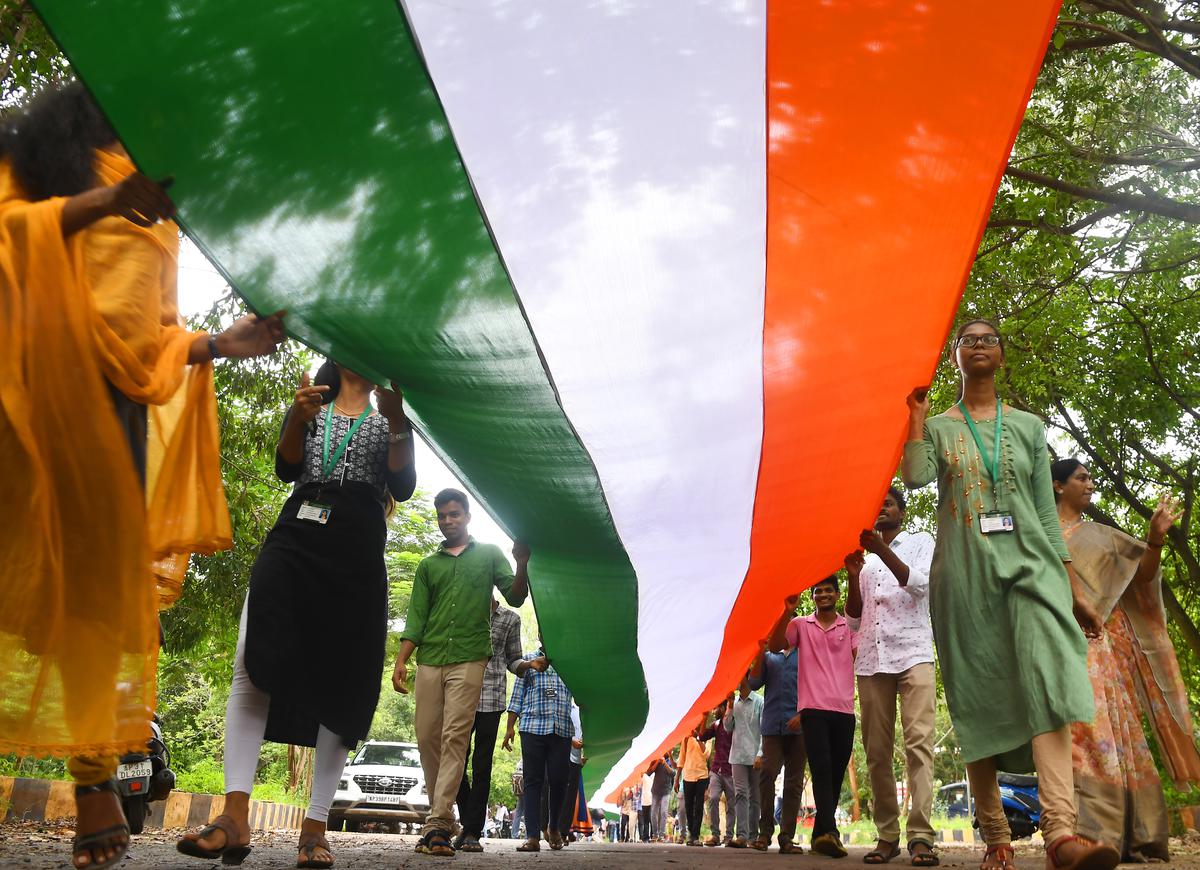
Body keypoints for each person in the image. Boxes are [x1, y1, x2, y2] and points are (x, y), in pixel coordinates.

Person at [0, 82, 286, 870]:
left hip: (113, 415)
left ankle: (93, 785)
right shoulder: (39, 155)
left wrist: (222, 346)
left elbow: (150, 334)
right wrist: (102, 201)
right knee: (23, 587)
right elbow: (9, 234)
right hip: (22, 389)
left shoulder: (158, 194)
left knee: (91, 602)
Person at [177, 362, 416, 867]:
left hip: (355, 550)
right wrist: (294, 419)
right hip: (295, 536)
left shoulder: (390, 416)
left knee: (343, 682)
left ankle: (315, 828)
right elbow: (286, 468)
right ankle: (234, 815)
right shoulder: (310, 405)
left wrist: (397, 420)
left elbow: (405, 481)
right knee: (252, 658)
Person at [902, 318, 1119, 870]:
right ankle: (996, 835)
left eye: (988, 339)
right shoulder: (942, 427)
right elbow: (917, 478)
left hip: (1032, 569)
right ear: (955, 356)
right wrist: (916, 418)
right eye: (967, 340)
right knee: (979, 698)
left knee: (1048, 683)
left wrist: (1072, 587)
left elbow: (1046, 514)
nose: (979, 346)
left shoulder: (1026, 426)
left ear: (1001, 355)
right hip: (965, 576)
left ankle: (1060, 834)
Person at [1053, 459, 1200, 861]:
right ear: (1057, 485)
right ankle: (1087, 837)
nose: (1091, 484)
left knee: (1110, 737)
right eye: (1082, 478)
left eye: (1091, 478)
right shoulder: (1040, 534)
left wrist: (1154, 539)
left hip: (1101, 649)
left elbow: (1143, 577)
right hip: (1057, 645)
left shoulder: (1101, 537)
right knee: (1079, 736)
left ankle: (1130, 835)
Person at [392, 489, 530, 857]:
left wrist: (522, 563)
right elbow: (417, 617)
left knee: (455, 736)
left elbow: (515, 598)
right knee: (426, 738)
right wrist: (402, 659)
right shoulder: (428, 565)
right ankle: (447, 818)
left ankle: (437, 822)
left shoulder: (487, 555)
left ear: (467, 516)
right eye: (442, 515)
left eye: (454, 514)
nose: (447, 520)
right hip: (431, 657)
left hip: (471, 657)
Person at [844, 487, 938, 866]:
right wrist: (853, 576)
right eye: (877, 503)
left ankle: (921, 836)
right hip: (871, 659)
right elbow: (853, 619)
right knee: (877, 751)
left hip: (914, 653)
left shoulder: (920, 542)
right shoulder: (865, 566)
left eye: (889, 503)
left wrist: (881, 549)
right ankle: (886, 835)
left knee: (919, 744)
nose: (882, 508)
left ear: (902, 511)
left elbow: (919, 585)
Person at [784, 576, 857, 858]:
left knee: (836, 773)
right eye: (817, 591)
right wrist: (785, 610)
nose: (823, 594)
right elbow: (779, 643)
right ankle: (831, 832)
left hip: (844, 710)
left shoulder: (848, 626)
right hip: (813, 710)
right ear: (812, 597)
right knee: (822, 769)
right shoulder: (800, 624)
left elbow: (858, 654)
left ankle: (819, 835)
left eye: (828, 590)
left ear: (837, 595)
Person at [454, 596, 523, 852]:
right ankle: (467, 822)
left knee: (482, 764)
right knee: (455, 760)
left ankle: (472, 832)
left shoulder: (510, 619)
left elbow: (514, 660)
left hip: (491, 699)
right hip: (461, 696)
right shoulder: (463, 612)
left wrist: (528, 665)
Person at [502, 642, 574, 852]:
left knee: (559, 780)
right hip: (532, 727)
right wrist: (509, 728)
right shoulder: (529, 659)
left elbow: (582, 694)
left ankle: (553, 827)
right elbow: (516, 696)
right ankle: (532, 836)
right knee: (533, 781)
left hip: (561, 728)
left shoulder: (570, 662)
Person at [754, 597, 807, 854]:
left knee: (794, 782)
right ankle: (764, 833)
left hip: (799, 727)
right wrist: (757, 653)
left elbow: (814, 686)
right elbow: (754, 684)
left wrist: (803, 714)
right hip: (772, 726)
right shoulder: (769, 656)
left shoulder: (805, 655)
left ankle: (787, 837)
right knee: (767, 775)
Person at [725, 677, 764, 848]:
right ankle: (741, 836)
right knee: (740, 793)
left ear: (747, 679)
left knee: (755, 796)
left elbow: (764, 730)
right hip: (737, 756)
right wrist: (729, 706)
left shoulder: (759, 702)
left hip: (755, 755)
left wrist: (761, 753)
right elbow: (727, 727)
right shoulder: (734, 704)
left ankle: (753, 836)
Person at [700, 699, 735, 846]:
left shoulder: (734, 723)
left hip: (731, 769)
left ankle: (729, 836)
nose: (714, 711)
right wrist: (704, 718)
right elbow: (701, 736)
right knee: (713, 798)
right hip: (716, 770)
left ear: (724, 707)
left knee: (731, 805)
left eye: (716, 708)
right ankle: (715, 835)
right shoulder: (715, 725)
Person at [677, 720, 710, 847]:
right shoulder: (686, 739)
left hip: (702, 776)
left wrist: (699, 738)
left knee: (698, 807)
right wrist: (676, 779)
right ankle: (691, 834)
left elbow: (706, 754)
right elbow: (681, 760)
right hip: (688, 776)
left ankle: (695, 836)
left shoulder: (707, 739)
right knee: (688, 807)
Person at [650, 752, 677, 841]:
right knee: (653, 812)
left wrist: (665, 763)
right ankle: (655, 834)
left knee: (664, 812)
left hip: (666, 791)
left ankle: (661, 835)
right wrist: (658, 761)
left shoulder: (671, 761)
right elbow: (649, 772)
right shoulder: (656, 759)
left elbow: (673, 773)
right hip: (655, 791)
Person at [510, 759, 525, 839]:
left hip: (519, 791)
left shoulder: (519, 762)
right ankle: (528, 835)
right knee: (527, 813)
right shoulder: (527, 759)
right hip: (525, 789)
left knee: (518, 813)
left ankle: (514, 834)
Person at [639, 769, 654, 841]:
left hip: (652, 800)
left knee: (651, 819)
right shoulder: (643, 775)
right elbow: (639, 785)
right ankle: (646, 837)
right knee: (646, 820)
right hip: (645, 800)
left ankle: (652, 836)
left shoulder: (654, 775)